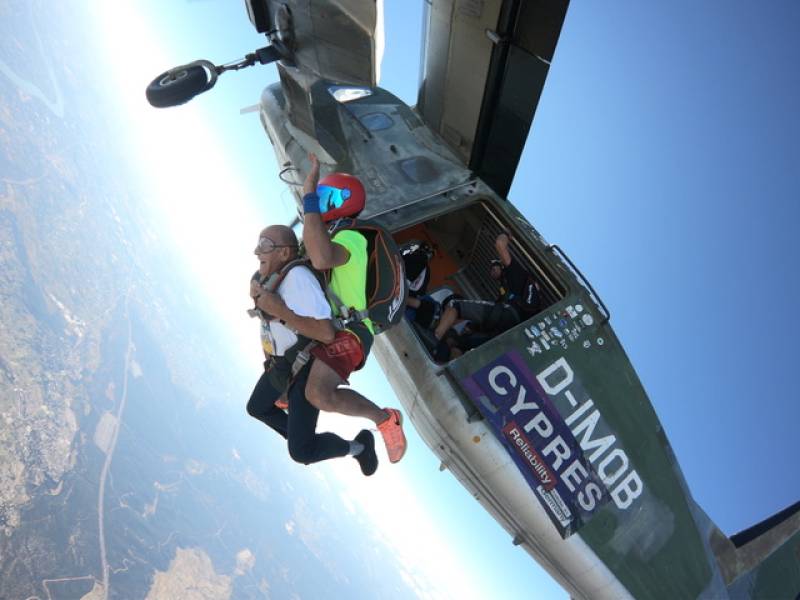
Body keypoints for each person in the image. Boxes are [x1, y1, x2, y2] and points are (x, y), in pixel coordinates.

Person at [246, 224, 379, 476]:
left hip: (303, 366)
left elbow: (325, 333)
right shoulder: (270, 278)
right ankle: (302, 436)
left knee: (301, 452)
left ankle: (359, 447)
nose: (256, 251)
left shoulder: (299, 280)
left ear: (285, 253)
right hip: (282, 364)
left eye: (264, 245)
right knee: (257, 407)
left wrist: (281, 312)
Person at [299, 153, 407, 463]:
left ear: (345, 202)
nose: (322, 203)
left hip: (353, 332)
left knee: (318, 394)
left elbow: (321, 258)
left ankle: (385, 419)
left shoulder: (352, 237)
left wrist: (309, 197)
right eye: (321, 197)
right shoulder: (336, 234)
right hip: (334, 325)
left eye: (328, 197)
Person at [433, 232, 541, 346]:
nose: (492, 272)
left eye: (494, 268)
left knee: (454, 305)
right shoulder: (532, 300)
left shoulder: (518, 276)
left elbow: (500, 244)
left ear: (502, 267)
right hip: (507, 332)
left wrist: (506, 234)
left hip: (505, 315)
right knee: (464, 343)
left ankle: (434, 341)